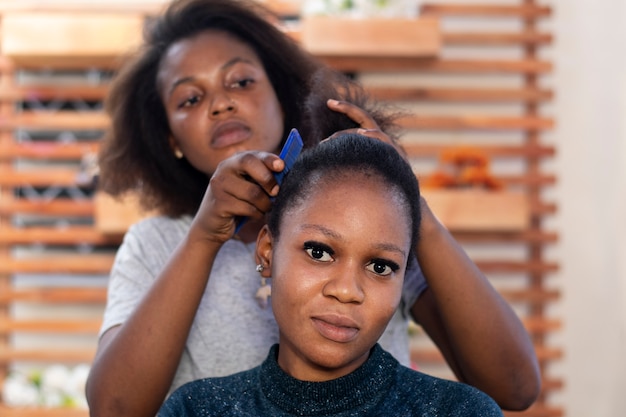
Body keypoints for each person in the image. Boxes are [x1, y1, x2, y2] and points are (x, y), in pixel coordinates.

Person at [86, 0, 540, 416]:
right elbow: (115, 409)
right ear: (170, 139)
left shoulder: (375, 230)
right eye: (190, 98)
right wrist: (206, 236)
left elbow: (514, 387)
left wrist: (408, 202)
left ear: (282, 96)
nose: (221, 103)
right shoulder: (155, 245)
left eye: (240, 81)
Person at [158, 134, 504, 417]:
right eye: (319, 252)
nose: (346, 290)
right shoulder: (195, 409)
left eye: (380, 266)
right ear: (267, 252)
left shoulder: (460, 412)